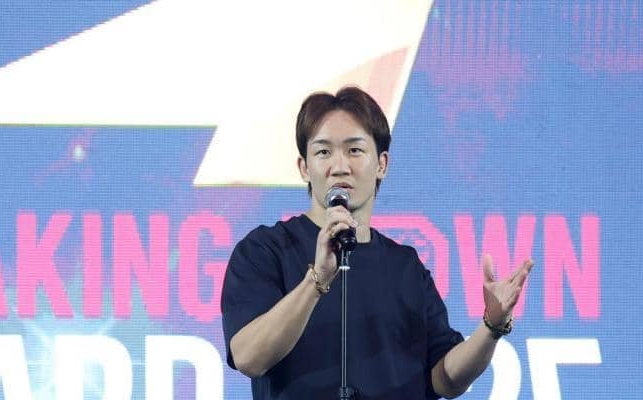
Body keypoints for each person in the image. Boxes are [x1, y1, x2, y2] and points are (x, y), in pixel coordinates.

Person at [221, 86, 533, 399]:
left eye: (354, 150)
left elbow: (445, 380)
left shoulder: (406, 267)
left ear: (382, 164)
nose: (339, 167)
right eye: (323, 152)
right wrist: (316, 281)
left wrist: (491, 327)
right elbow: (249, 357)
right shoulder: (265, 250)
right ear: (304, 168)